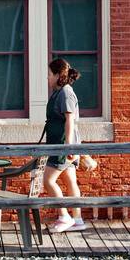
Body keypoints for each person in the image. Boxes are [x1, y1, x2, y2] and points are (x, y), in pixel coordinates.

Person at [43, 57, 86, 233]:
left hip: (62, 145)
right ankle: (77, 220)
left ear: (57, 75)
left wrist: (68, 145)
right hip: (61, 144)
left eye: (49, 74)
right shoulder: (60, 92)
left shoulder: (66, 93)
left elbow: (70, 119)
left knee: (48, 180)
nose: (47, 78)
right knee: (70, 180)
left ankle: (64, 216)